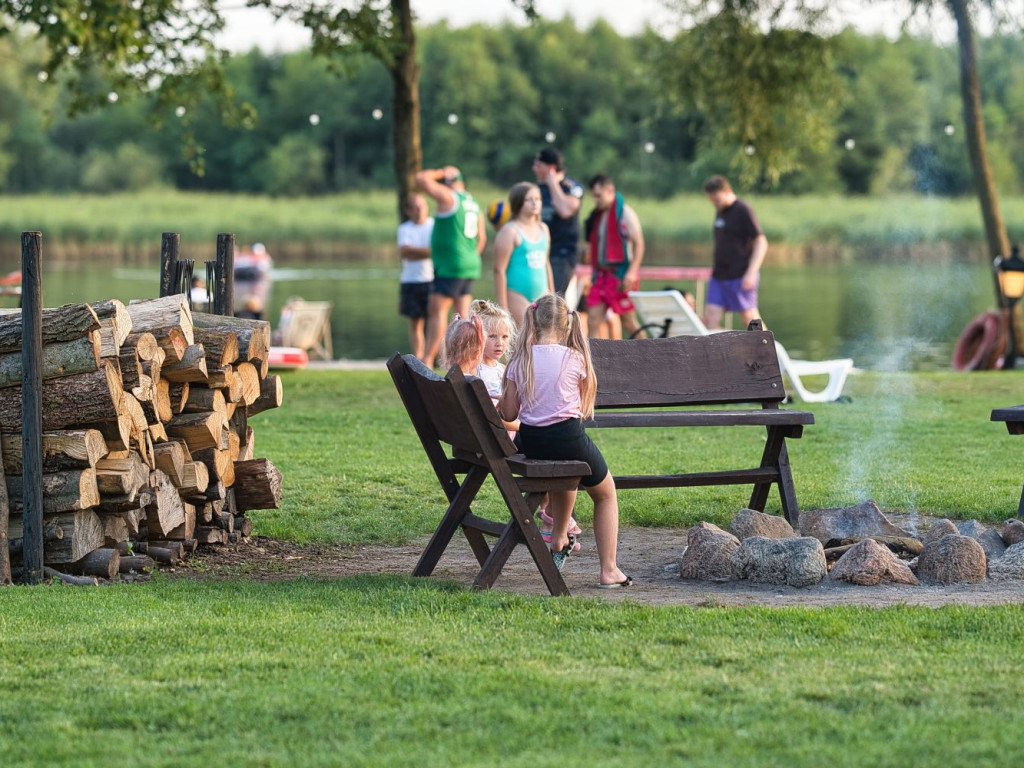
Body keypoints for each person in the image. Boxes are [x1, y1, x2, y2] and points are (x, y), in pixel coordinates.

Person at [498, 294, 631, 588]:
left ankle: (559, 537)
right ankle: (609, 570)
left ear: (532, 320)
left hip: (530, 442)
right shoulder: (576, 358)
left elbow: (508, 413)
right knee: (606, 493)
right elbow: (582, 409)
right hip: (567, 437)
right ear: (567, 324)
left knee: (566, 472)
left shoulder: (521, 359)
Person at [415, 165, 486, 368]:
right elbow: (481, 239)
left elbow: (421, 179)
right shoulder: (473, 203)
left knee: (437, 312)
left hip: (449, 266)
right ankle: (464, 362)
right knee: (462, 317)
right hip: (470, 265)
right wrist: (468, 257)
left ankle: (427, 360)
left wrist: (439, 172)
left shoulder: (450, 198)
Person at [581, 173, 645, 339]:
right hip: (601, 276)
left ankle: (650, 356)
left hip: (621, 275)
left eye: (599, 196)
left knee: (628, 323)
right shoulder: (598, 215)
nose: (596, 200)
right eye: (594, 196)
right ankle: (593, 361)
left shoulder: (625, 213)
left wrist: (632, 273)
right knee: (593, 319)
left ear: (610, 190)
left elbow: (639, 244)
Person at [702, 175, 767, 330]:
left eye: (717, 199)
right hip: (719, 276)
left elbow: (761, 241)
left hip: (741, 274)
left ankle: (770, 351)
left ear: (727, 191)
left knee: (749, 318)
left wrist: (751, 272)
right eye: (712, 200)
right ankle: (726, 350)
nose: (715, 204)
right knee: (710, 320)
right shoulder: (721, 211)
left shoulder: (743, 210)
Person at [492, 182, 555, 326]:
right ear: (518, 202)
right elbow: (499, 269)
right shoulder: (510, 231)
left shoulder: (544, 229)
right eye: (529, 199)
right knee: (523, 339)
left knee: (544, 339)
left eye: (538, 199)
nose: (535, 203)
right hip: (517, 294)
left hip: (542, 293)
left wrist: (552, 295)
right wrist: (503, 307)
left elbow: (546, 263)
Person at [532, 147, 584, 297]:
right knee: (538, 299)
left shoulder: (572, 187)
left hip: (562, 254)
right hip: (542, 252)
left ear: (551, 168)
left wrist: (553, 183)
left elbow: (565, 210)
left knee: (553, 300)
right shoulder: (538, 189)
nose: (534, 168)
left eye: (538, 165)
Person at [397, 193, 435, 362]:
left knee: (435, 320)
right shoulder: (404, 229)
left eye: (422, 206)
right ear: (408, 210)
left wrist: (415, 251)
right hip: (411, 280)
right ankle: (419, 359)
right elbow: (405, 253)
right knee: (415, 323)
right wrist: (428, 251)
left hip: (432, 279)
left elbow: (436, 251)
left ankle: (430, 357)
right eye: (415, 207)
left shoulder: (434, 226)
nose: (420, 210)